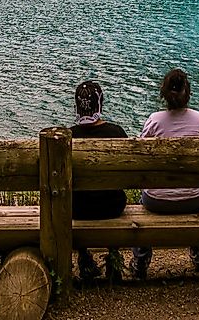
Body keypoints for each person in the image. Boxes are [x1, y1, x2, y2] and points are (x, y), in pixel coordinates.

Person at [132, 68, 199, 278]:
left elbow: (141, 156)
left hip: (157, 201)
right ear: (189, 93)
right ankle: (198, 255)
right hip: (197, 199)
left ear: (164, 94)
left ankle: (141, 260)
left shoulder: (154, 121)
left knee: (144, 200)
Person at [70, 80, 128, 283]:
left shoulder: (68, 137)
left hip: (77, 209)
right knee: (111, 192)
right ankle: (113, 257)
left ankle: (84, 257)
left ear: (77, 106)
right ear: (99, 104)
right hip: (112, 207)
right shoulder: (117, 134)